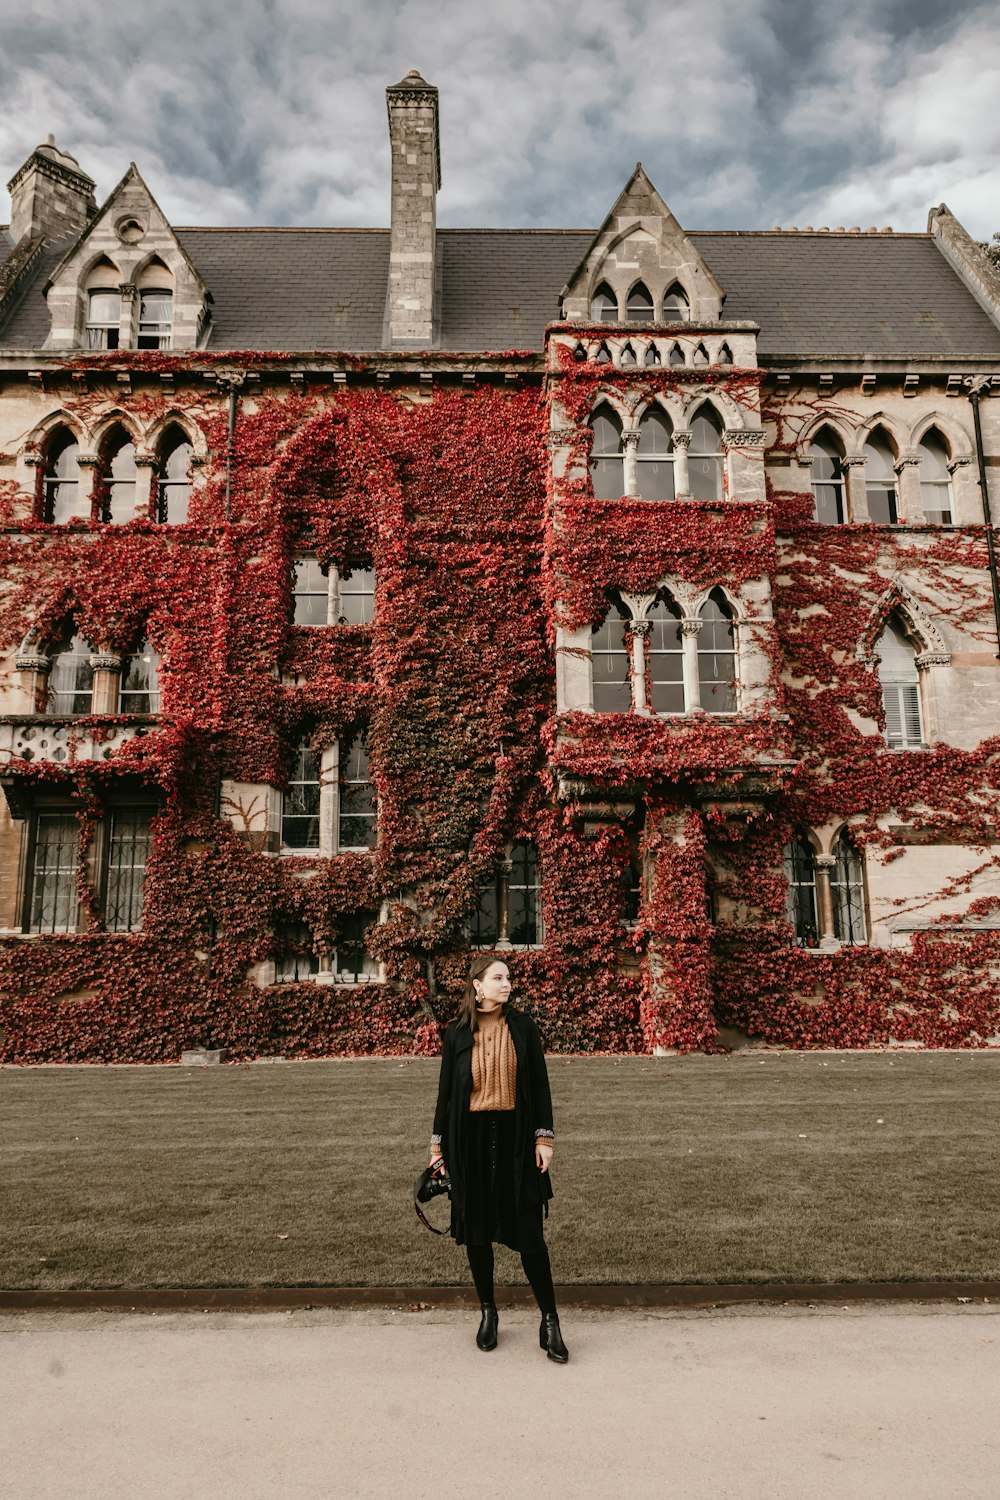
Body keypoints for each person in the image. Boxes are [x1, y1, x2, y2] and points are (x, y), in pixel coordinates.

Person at [429, 953, 569, 1362]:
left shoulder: (524, 1028)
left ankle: (550, 1321)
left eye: (508, 978)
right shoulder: (455, 1033)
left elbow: (540, 1087)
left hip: (515, 1137)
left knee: (529, 1234)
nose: (507, 984)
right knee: (476, 1230)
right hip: (468, 1140)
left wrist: (544, 1140)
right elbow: (446, 1095)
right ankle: (488, 1311)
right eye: (499, 978)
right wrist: (437, 1147)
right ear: (478, 985)